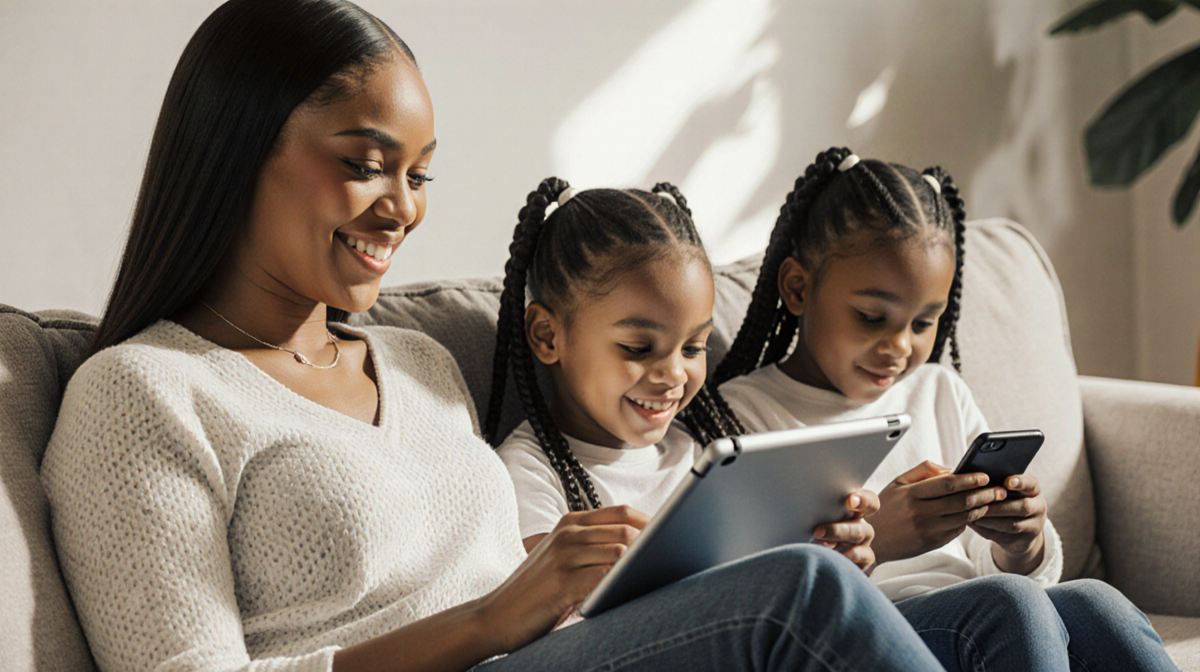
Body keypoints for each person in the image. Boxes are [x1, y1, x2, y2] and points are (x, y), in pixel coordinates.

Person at [39, 3, 949, 671]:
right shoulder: (142, 394)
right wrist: (493, 620)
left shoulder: (418, 362)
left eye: (420, 175)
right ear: (237, 150)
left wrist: (612, 576)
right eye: (366, 164)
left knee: (1005, 613)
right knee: (799, 596)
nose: (402, 208)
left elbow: (502, 587)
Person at [715, 146, 1179, 672]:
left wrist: (1020, 543)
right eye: (872, 317)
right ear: (798, 287)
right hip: (862, 635)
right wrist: (879, 539)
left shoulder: (939, 391)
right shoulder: (741, 417)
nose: (899, 347)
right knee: (1008, 606)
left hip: (982, 619)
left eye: (922, 323)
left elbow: (1001, 571)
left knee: (1096, 601)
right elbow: (763, 601)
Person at [485, 179, 876, 572]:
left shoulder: (710, 450)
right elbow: (558, 602)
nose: (674, 374)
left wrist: (833, 549)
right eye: (638, 348)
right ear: (546, 335)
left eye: (693, 348)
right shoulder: (529, 475)